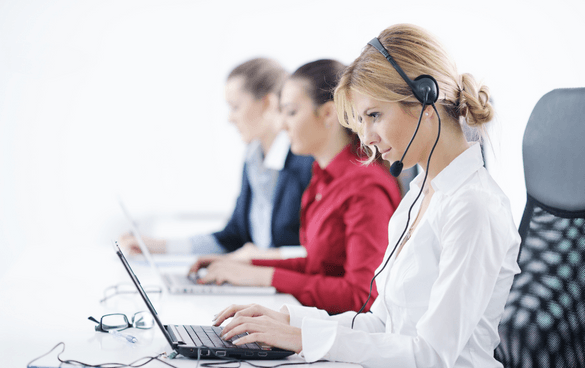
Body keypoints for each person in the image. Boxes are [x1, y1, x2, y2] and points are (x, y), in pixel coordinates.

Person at [210, 24, 521, 368]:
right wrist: (288, 321)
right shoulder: (418, 194)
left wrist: (302, 339)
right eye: (362, 121)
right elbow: (381, 325)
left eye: (374, 115)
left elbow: (431, 355)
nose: (367, 138)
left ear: (425, 100)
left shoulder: (473, 206)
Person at [190, 59, 402, 314]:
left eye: (290, 112)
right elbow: (318, 266)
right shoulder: (322, 178)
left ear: (327, 114)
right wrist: (247, 265)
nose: (281, 125)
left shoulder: (365, 187)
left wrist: (264, 277)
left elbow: (362, 296)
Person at [120, 58, 314, 258]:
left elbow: (322, 253)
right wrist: (159, 247)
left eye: (235, 107)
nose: (230, 118)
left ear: (267, 103)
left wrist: (263, 258)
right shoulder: (253, 160)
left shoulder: (307, 163)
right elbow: (232, 237)